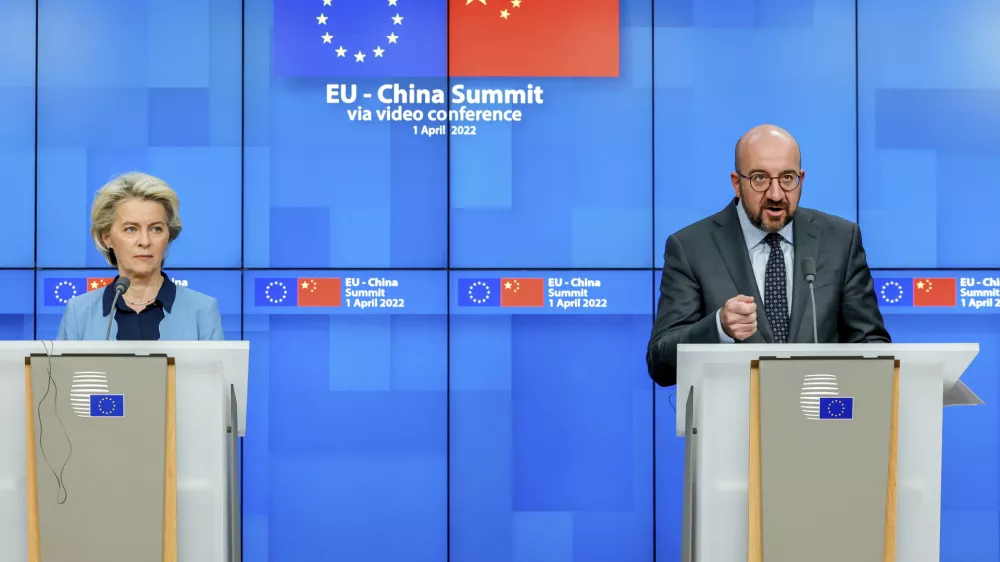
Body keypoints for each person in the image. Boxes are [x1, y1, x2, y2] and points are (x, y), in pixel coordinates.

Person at [646, 124, 890, 387]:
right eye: (760, 178)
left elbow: (871, 344)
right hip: (733, 424)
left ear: (802, 179)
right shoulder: (691, 247)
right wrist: (719, 327)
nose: (776, 194)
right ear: (737, 184)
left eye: (787, 178)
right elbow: (661, 364)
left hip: (822, 419)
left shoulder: (841, 239)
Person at [57, 172, 224, 341]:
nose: (145, 241)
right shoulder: (79, 312)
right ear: (107, 237)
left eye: (156, 229)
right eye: (131, 229)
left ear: (169, 236)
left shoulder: (202, 310)